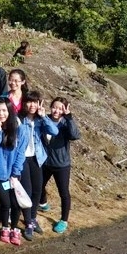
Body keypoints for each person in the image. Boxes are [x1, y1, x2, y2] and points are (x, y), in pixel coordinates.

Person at [0, 98, 27, 246]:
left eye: (4, 110)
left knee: (16, 203)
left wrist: (15, 173)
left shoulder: (18, 128)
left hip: (13, 174)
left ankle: (14, 228)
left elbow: (20, 153)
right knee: (6, 202)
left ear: (10, 111)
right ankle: (5, 227)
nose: (0, 113)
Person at [18, 91, 59, 241]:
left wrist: (44, 116)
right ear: (24, 104)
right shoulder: (19, 119)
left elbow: (54, 131)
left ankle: (33, 217)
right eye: (29, 102)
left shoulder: (41, 120)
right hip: (22, 159)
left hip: (37, 159)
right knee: (27, 191)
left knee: (37, 190)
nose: (32, 105)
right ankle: (28, 222)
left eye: (35, 102)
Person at [39, 97, 81, 234]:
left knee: (64, 193)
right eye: (54, 107)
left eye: (60, 108)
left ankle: (63, 220)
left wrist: (69, 118)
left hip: (61, 164)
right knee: (38, 186)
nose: (56, 111)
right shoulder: (44, 119)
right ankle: (43, 204)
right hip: (45, 162)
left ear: (64, 110)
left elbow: (75, 135)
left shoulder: (65, 123)